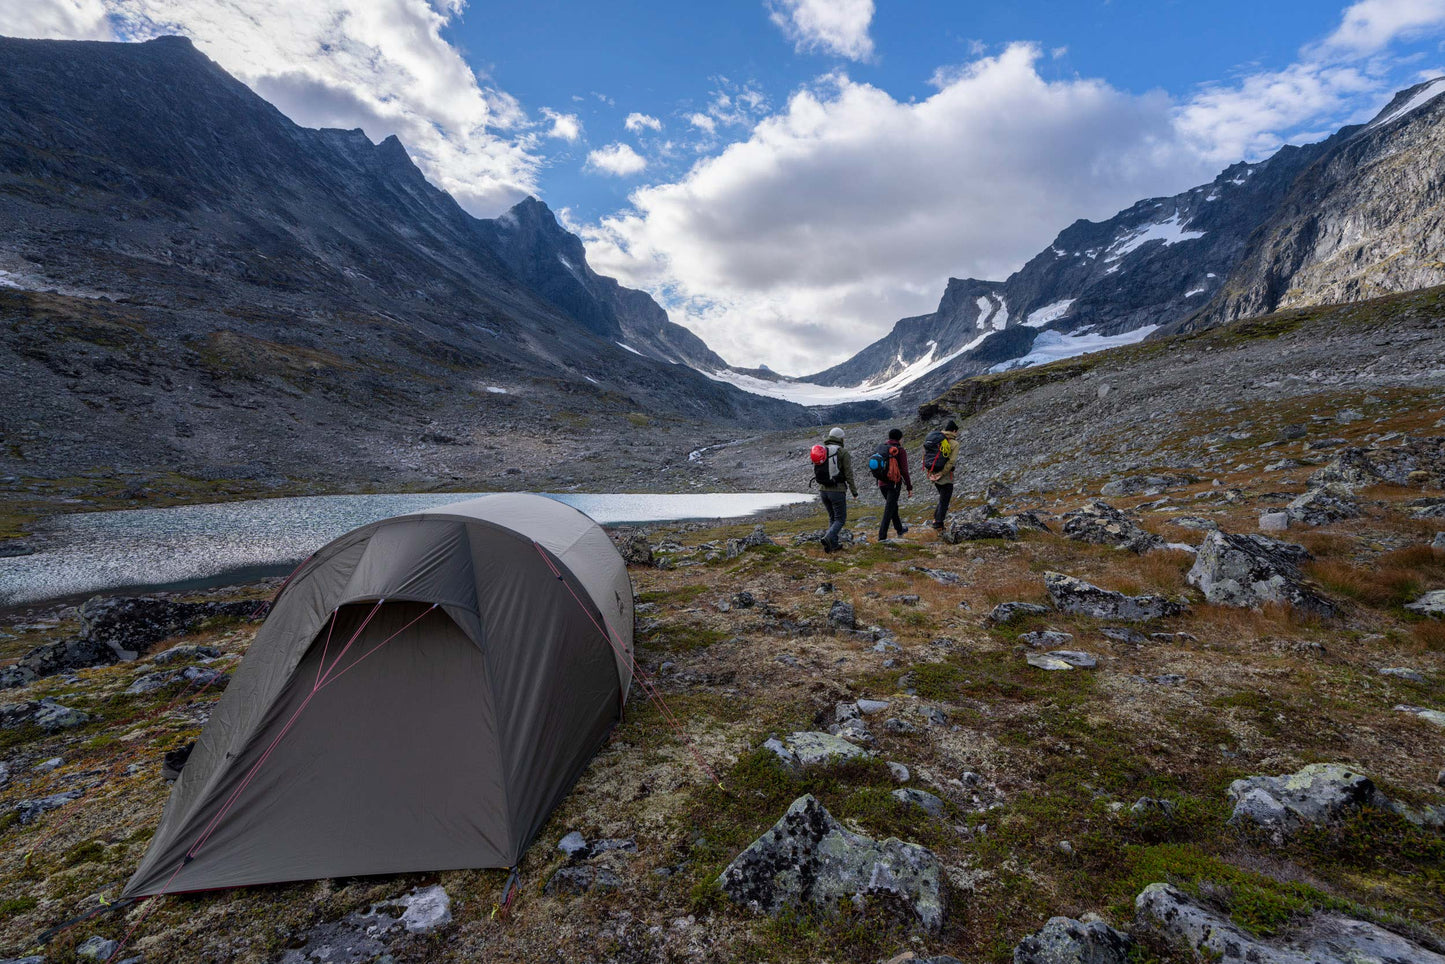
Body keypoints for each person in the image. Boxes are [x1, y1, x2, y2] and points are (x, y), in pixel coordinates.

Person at [816, 426, 857, 552]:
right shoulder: (842, 452)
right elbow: (848, 473)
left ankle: (832, 546)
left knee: (832, 517)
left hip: (823, 490)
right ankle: (828, 538)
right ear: (840, 438)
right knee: (840, 519)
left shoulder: (822, 450)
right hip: (837, 490)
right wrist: (854, 491)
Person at [875, 428, 912, 541]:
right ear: (899, 438)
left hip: (882, 483)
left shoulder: (882, 448)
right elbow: (904, 471)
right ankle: (882, 536)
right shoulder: (899, 450)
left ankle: (899, 529)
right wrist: (909, 487)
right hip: (894, 484)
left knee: (892, 506)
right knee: (889, 509)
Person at [924, 419, 959, 530]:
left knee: (942, 498)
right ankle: (938, 524)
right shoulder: (954, 443)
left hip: (933, 472)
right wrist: (941, 473)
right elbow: (951, 461)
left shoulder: (935, 439)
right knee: (945, 500)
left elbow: (926, 456)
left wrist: (931, 473)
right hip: (944, 476)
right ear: (954, 431)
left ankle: (937, 520)